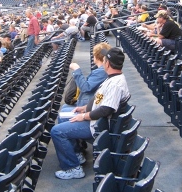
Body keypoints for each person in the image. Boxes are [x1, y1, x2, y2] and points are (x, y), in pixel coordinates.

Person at [51, 47, 130, 180]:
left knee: (57, 131)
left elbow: (106, 110)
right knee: (64, 117)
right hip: (97, 120)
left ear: (107, 64)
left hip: (99, 125)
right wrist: (84, 108)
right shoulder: (112, 77)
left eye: (104, 60)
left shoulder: (115, 84)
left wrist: (84, 116)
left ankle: (72, 168)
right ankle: (76, 154)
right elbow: (99, 99)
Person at [59, 42, 111, 116]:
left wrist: (77, 70)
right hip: (90, 102)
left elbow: (86, 88)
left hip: (89, 105)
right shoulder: (101, 70)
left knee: (62, 114)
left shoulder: (101, 72)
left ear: (96, 56)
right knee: (64, 107)